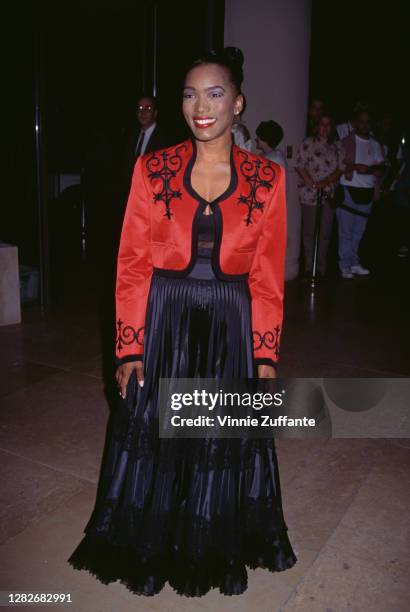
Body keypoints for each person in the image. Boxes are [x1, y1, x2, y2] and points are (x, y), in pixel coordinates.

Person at [67, 48, 297, 597]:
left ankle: (211, 542)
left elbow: (267, 275)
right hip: (165, 318)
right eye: (190, 93)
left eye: (215, 93)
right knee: (160, 435)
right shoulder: (153, 168)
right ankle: (155, 539)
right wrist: (129, 347)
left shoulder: (268, 178)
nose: (201, 105)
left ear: (238, 103)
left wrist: (265, 357)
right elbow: (130, 263)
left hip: (231, 324)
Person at [337, 108, 385, 278]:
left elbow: (381, 168)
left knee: (359, 231)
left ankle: (354, 262)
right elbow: (339, 165)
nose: (364, 125)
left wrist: (367, 170)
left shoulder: (375, 144)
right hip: (348, 190)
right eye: (361, 121)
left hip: (368, 192)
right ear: (356, 123)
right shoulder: (345, 141)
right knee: (346, 231)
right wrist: (357, 167)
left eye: (367, 122)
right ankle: (344, 265)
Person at [295, 114, 344, 277]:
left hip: (328, 194)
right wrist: (313, 183)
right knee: (309, 231)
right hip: (309, 193)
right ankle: (309, 266)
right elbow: (299, 165)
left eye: (328, 124)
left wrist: (327, 181)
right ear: (317, 126)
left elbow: (341, 168)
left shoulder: (337, 145)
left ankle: (321, 267)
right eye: (322, 124)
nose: (324, 128)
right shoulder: (308, 143)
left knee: (325, 232)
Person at [122, 94, 169, 192]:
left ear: (155, 113)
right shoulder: (131, 136)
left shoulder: (166, 139)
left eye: (148, 108)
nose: (143, 112)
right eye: (140, 108)